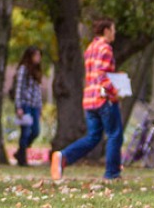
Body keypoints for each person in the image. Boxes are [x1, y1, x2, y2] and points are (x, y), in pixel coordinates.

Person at [50, 19, 123, 180]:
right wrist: (115, 91)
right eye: (113, 30)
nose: (115, 33)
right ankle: (112, 173)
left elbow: (94, 74)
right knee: (114, 134)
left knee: (93, 137)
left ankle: (63, 156)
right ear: (106, 31)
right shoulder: (105, 48)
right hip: (104, 99)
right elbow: (102, 75)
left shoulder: (90, 48)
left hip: (90, 99)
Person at [12, 47, 44, 166]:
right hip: (25, 104)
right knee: (25, 132)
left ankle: (21, 151)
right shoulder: (23, 70)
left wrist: (40, 106)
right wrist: (18, 106)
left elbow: (38, 91)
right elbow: (19, 89)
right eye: (36, 55)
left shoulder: (37, 71)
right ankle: (22, 159)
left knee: (36, 131)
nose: (38, 58)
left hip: (35, 105)